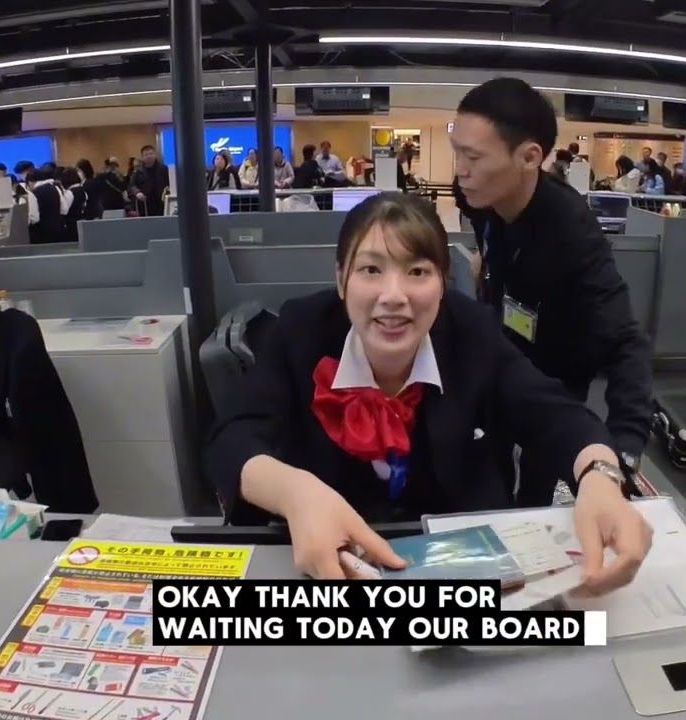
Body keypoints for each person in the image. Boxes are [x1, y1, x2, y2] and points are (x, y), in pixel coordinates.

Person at [206, 192, 653, 584]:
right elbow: (233, 437)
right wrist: (296, 494)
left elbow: (554, 413)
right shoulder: (302, 329)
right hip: (334, 566)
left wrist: (600, 476)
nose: (393, 295)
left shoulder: (471, 331)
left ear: (442, 283)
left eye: (417, 272)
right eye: (370, 270)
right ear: (341, 280)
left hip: (461, 569)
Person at [451, 77, 653, 507]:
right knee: (490, 459)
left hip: (558, 367)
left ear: (530, 157)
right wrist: (487, 259)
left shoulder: (571, 232)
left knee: (539, 474)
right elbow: (486, 233)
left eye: (473, 157)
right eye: (457, 153)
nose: (460, 170)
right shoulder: (477, 194)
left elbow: (625, 340)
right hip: (502, 348)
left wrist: (624, 447)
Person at [130, 145, 169, 216]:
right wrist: (137, 192)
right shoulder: (138, 170)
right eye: (146, 155)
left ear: (155, 155)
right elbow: (132, 185)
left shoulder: (164, 169)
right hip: (144, 203)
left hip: (161, 202)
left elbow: (169, 183)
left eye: (151, 154)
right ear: (142, 157)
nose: (149, 156)